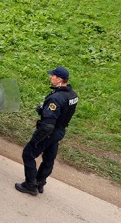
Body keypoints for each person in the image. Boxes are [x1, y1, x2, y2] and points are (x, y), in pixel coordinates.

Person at [16, 66, 78, 196]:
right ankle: (40, 182)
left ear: (60, 79)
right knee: (49, 158)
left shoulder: (56, 98)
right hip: (59, 132)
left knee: (28, 154)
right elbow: (63, 113)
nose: (51, 77)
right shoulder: (72, 95)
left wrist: (37, 138)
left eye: (53, 76)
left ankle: (30, 185)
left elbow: (48, 125)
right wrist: (44, 110)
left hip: (49, 132)